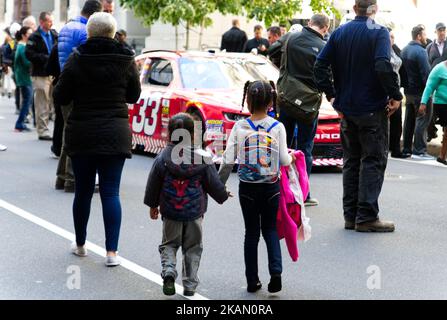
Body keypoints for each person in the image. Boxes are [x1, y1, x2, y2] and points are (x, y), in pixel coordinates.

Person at [53, 12, 141, 266]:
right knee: (111, 193)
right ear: (113, 33)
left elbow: (60, 95)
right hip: (115, 132)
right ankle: (111, 253)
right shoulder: (127, 59)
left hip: (83, 132)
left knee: (82, 191)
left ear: (89, 33)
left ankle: (81, 244)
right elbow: (133, 96)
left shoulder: (77, 57)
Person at [314, 0, 402, 233]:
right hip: (371, 108)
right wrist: (395, 95)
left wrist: (333, 97)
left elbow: (320, 66)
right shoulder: (380, 32)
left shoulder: (339, 33)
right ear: (375, 10)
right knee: (372, 160)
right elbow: (383, 65)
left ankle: (350, 215)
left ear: (354, 9)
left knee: (351, 161)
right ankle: (366, 216)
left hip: (348, 108)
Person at [219, 81, 295, 294]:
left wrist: (218, 186)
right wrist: (291, 156)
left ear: (248, 101)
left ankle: (252, 280)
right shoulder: (277, 127)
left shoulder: (240, 127)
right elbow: (283, 160)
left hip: (248, 188)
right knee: (270, 229)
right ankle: (276, 273)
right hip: (271, 187)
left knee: (251, 233)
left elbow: (228, 160)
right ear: (271, 102)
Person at [144, 113, 229, 297]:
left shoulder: (163, 158)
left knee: (169, 244)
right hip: (194, 213)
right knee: (193, 248)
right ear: (192, 135)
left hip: (171, 212)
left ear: (170, 133)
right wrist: (223, 194)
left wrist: (153, 205)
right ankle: (189, 285)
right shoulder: (202, 159)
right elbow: (213, 184)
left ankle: (168, 271)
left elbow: (153, 183)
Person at [278, 14, 330, 207]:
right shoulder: (324, 47)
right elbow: (326, 75)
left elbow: (275, 50)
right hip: (309, 104)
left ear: (309, 23)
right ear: (325, 28)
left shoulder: (291, 38)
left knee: (283, 143)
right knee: (305, 148)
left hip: (287, 98)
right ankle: (303, 194)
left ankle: (278, 188)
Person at [56, 0, 102, 192]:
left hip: (64, 84)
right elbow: (88, 63)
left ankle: (61, 176)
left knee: (69, 132)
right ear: (93, 15)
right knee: (77, 136)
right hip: (78, 89)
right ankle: (71, 180)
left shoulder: (66, 27)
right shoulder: (85, 32)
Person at [401, 25, 434, 160]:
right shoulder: (421, 52)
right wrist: (428, 94)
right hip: (420, 93)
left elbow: (402, 73)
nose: (426, 37)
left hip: (408, 92)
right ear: (419, 36)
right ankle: (419, 150)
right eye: (425, 34)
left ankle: (407, 148)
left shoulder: (404, 50)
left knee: (409, 120)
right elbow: (426, 75)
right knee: (422, 119)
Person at [25, 12, 58, 141]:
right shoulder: (34, 37)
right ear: (42, 22)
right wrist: (45, 58)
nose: (51, 23)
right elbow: (29, 54)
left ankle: (50, 128)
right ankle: (42, 131)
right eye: (49, 21)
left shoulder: (55, 34)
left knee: (52, 102)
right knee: (42, 103)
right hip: (40, 74)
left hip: (53, 74)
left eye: (52, 21)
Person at [420, 45, 447, 165]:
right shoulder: (439, 68)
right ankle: (442, 155)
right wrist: (423, 103)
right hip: (443, 105)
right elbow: (430, 86)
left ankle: (442, 156)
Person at [426, 23, 447, 142]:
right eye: (439, 30)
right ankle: (431, 132)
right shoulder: (430, 47)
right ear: (435, 31)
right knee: (432, 110)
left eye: (444, 30)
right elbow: (427, 64)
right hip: (434, 83)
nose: (442, 32)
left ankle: (445, 137)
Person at [388, 28, 409, 159]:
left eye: (393, 37)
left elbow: (402, 68)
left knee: (397, 122)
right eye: (390, 37)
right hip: (384, 90)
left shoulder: (396, 49)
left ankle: (395, 149)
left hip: (396, 91)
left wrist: (402, 87)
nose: (392, 39)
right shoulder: (377, 49)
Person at [14, 26, 33, 132]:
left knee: (27, 101)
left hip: (22, 77)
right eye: (29, 33)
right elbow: (27, 62)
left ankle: (20, 123)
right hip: (24, 77)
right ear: (23, 35)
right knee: (27, 101)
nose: (31, 35)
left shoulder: (21, 46)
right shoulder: (22, 47)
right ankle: (19, 123)